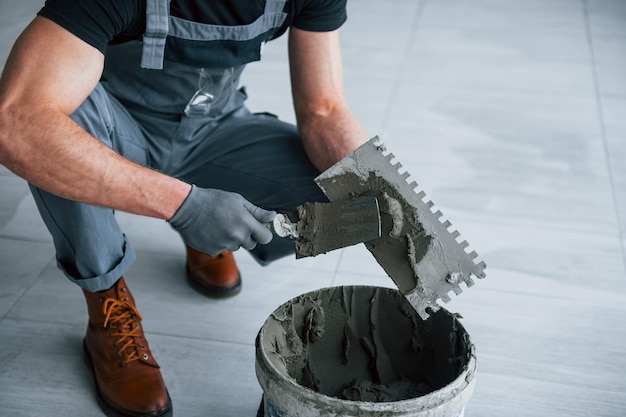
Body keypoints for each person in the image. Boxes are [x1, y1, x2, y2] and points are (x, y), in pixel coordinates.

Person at [0, 0, 368, 416]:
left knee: (343, 187)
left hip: (215, 128)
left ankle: (216, 226)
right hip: (115, 128)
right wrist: (184, 206)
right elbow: (16, 123)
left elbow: (325, 110)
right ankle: (107, 303)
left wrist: (381, 189)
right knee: (53, 129)